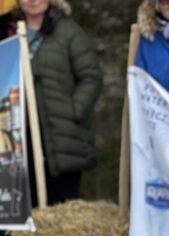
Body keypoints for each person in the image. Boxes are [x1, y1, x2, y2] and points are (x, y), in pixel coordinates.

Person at [0, 0, 102, 205]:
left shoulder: (68, 31)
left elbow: (91, 77)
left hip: (58, 136)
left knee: (59, 209)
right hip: (13, 136)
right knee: (16, 210)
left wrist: (73, 111)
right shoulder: (5, 32)